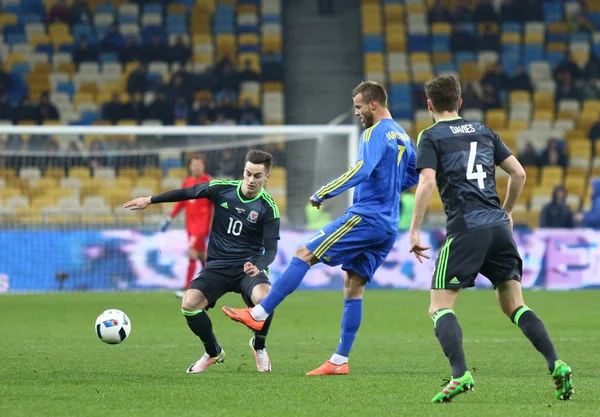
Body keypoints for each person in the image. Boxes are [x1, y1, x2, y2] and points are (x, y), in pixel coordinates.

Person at [222, 81, 419, 375]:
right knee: (354, 286)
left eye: (358, 106)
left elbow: (362, 169)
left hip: (366, 217)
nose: (356, 113)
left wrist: (324, 191)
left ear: (373, 104)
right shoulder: (404, 136)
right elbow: (414, 176)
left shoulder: (374, 133)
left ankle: (259, 313)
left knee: (304, 254)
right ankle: (339, 360)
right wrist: (390, 189)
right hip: (388, 225)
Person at [408, 75, 573, 403]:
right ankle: (556, 363)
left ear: (429, 105)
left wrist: (414, 228)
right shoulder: (484, 131)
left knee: (439, 307)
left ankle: (460, 374)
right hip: (499, 228)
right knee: (514, 304)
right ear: (459, 103)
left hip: (466, 229)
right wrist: (507, 210)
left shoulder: (430, 135)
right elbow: (519, 173)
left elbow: (427, 182)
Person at [123, 150, 280, 373]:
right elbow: (188, 192)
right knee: (188, 304)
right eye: (248, 174)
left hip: (248, 268)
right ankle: (213, 351)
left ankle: (259, 346)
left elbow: (272, 250)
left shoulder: (268, 208)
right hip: (217, 265)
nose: (251, 180)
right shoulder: (223, 188)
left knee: (266, 299)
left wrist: (259, 265)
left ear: (267, 177)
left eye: (257, 176)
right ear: (243, 172)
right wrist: (150, 200)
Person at [160, 154, 213, 299]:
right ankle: (210, 284)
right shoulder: (187, 182)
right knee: (202, 256)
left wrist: (214, 225)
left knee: (192, 254)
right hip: (190, 226)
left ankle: (186, 288)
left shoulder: (209, 182)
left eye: (199, 164)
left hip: (202, 226)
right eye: (194, 164)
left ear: (203, 166)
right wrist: (169, 218)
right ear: (189, 166)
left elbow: (214, 206)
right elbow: (181, 202)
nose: (196, 167)